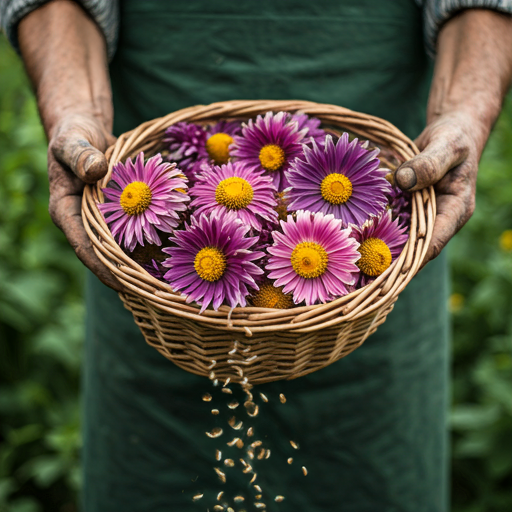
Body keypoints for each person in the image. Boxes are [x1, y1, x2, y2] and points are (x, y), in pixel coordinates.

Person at [2, 0, 512, 510]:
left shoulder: (341, 225)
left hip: (383, 200)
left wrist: (461, 114)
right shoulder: (193, 213)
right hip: (151, 242)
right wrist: (76, 110)